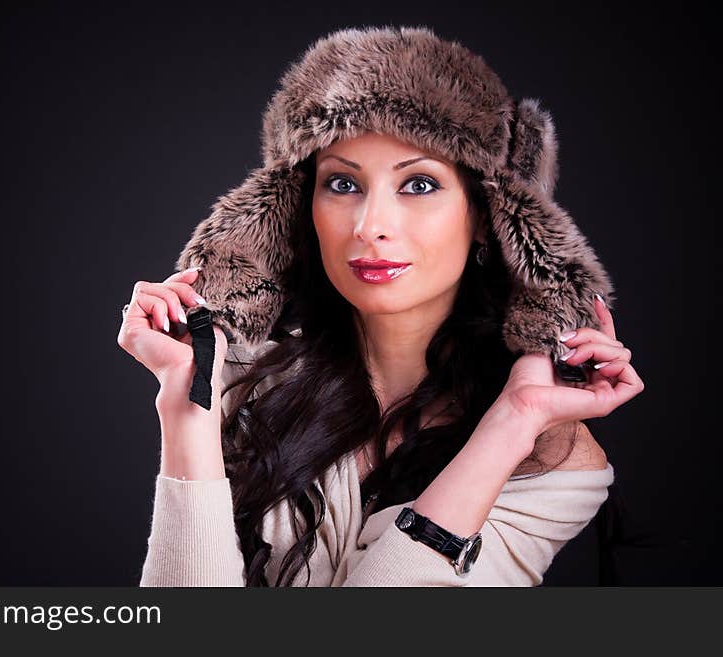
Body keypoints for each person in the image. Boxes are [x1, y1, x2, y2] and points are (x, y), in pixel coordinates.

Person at [117, 26, 644, 586]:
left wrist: (510, 423)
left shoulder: (549, 453)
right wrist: (188, 405)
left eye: (418, 185)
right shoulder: (242, 390)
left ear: (487, 217)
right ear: (301, 209)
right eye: (342, 184)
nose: (370, 227)